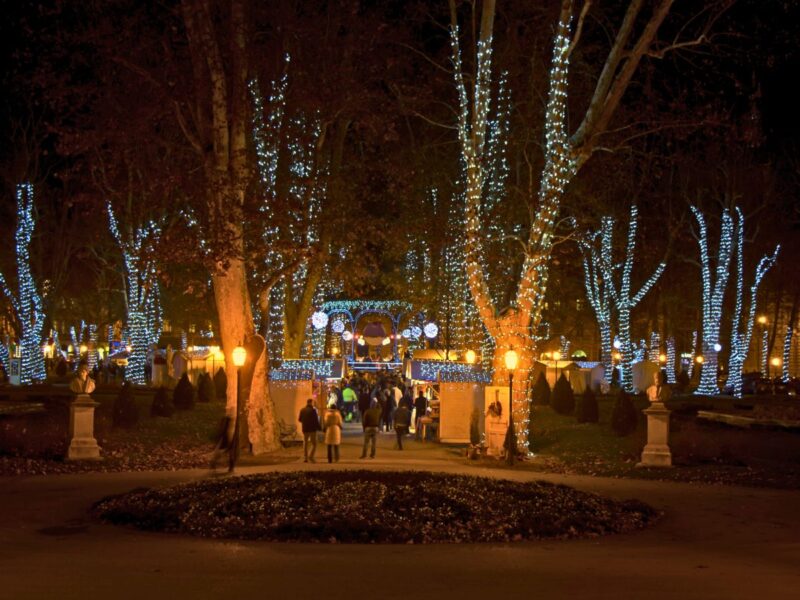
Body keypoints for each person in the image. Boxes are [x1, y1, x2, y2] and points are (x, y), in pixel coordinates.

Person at [298, 398, 321, 463]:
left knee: (305, 443)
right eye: (313, 403)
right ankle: (311, 456)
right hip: (312, 429)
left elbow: (299, 419)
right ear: (311, 403)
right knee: (314, 443)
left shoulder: (302, 410)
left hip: (305, 429)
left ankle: (305, 458)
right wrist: (319, 428)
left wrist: (305, 421)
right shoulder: (313, 411)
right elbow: (316, 421)